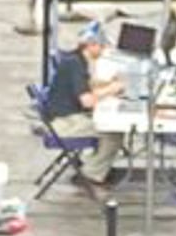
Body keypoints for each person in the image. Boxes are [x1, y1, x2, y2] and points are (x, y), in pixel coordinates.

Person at [38, 21, 131, 181]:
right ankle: (92, 174)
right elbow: (87, 102)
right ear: (91, 45)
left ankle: (93, 165)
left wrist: (108, 85)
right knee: (113, 131)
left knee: (110, 127)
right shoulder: (75, 65)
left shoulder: (75, 60)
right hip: (65, 123)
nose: (103, 51)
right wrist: (111, 90)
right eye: (102, 47)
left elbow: (86, 86)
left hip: (66, 117)